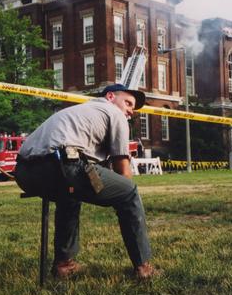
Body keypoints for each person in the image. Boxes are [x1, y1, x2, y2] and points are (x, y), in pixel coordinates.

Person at [15, 83, 160, 280]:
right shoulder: (114, 113)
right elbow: (122, 167)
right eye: (128, 103)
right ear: (110, 97)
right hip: (64, 165)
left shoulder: (77, 110)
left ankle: (64, 265)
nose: (130, 111)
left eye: (132, 107)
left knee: (70, 196)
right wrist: (123, 193)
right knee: (129, 192)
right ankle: (143, 267)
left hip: (25, 173)